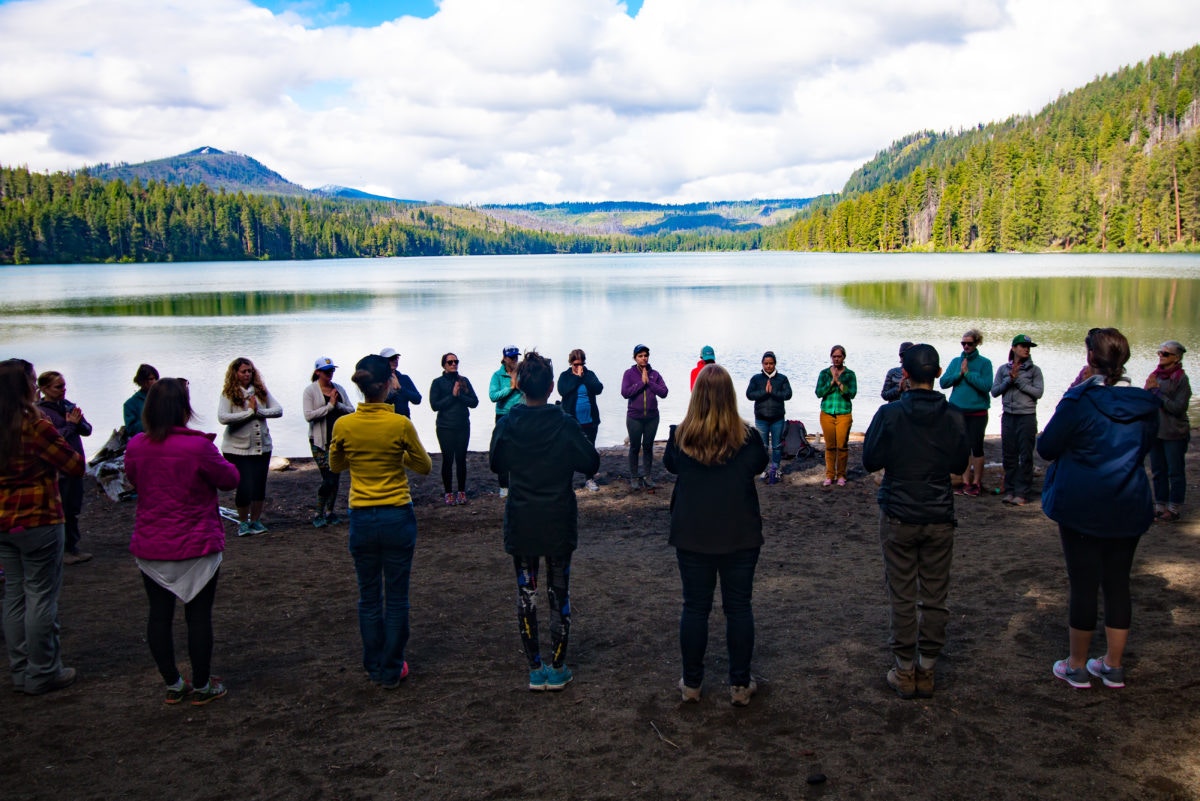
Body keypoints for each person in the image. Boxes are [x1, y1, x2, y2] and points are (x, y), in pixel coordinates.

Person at [1037, 328, 1159, 690]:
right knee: (1118, 583)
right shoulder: (1145, 405)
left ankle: (1076, 665)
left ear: (1090, 359)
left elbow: (1047, 446)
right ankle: (1113, 665)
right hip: (1128, 502)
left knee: (1084, 584)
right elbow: (1145, 448)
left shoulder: (1080, 401)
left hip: (1082, 505)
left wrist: (1073, 394)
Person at [862, 344, 969, 699]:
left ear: (904, 375)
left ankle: (905, 670)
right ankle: (926, 668)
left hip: (899, 514)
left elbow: (870, 459)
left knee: (903, 595)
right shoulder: (953, 415)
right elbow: (958, 465)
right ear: (938, 374)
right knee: (935, 596)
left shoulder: (890, 414)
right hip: (938, 513)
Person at [125, 377, 240, 706]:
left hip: (152, 544)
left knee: (159, 615)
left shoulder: (136, 446)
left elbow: (134, 479)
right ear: (183, 408)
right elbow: (230, 479)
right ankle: (202, 685)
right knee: (198, 615)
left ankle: (173, 683)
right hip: (196, 544)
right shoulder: (198, 447)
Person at [490, 351, 600, 691]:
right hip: (557, 518)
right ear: (552, 385)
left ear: (519, 385)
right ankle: (558, 665)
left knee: (527, 594)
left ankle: (536, 668)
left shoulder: (508, 422)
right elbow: (591, 462)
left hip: (523, 518)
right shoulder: (563, 422)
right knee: (559, 594)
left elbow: (496, 463)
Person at [664, 364, 768, 707]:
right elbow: (759, 464)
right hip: (739, 533)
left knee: (695, 607)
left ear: (696, 398)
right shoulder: (749, 439)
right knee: (739, 608)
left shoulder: (680, 438)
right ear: (731, 397)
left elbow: (671, 465)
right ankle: (739, 686)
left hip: (693, 534)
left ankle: (692, 684)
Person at [329, 354, 433, 689]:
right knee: (397, 596)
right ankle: (392, 667)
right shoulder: (399, 424)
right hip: (396, 514)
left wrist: (362, 456)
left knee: (369, 596)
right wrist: (395, 455)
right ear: (387, 385)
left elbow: (336, 464)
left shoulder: (344, 425)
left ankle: (374, 665)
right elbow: (424, 466)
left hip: (362, 515)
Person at [0, 359, 84, 695]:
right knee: (41, 596)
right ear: (24, 387)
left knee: (14, 595)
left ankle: (20, 670)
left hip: (3, 521)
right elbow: (75, 466)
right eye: (33, 381)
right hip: (39, 519)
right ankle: (44, 670)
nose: (36, 386)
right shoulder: (35, 426)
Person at [217, 357, 283, 536]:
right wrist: (249, 414)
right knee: (244, 485)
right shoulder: (228, 394)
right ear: (235, 374)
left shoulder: (261, 391)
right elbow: (223, 417)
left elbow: (278, 410)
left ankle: (255, 520)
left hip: (262, 447)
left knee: (259, 485)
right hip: (237, 449)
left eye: (249, 371)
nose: (247, 374)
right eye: (243, 371)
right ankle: (243, 522)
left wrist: (259, 411)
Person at [36, 370, 93, 564]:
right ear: (44, 389)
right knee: (62, 509)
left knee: (74, 508)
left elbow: (87, 430)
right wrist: (70, 426)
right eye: (58, 386)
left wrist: (78, 423)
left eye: (64, 386)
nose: (63, 390)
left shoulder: (68, 406)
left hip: (74, 465)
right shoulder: (41, 412)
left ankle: (72, 546)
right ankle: (61, 550)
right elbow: (52, 439)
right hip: (58, 469)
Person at [990, 335, 1045, 506]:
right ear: (1013, 348)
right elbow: (994, 391)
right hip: (1008, 416)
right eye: (1023, 346)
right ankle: (1010, 489)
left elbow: (1038, 393)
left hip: (1026, 416)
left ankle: (1022, 492)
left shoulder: (1034, 371)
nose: (1026, 349)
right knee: (1009, 455)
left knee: (1025, 455)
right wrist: (1009, 380)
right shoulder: (1002, 369)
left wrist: (1018, 381)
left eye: (1029, 347)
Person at [302, 357, 355, 528]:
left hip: (337, 441)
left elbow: (351, 410)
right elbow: (308, 415)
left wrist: (337, 404)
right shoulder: (310, 391)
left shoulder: (338, 389)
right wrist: (330, 406)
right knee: (328, 478)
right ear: (318, 372)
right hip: (320, 442)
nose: (330, 374)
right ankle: (318, 513)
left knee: (336, 477)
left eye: (332, 370)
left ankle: (330, 512)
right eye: (326, 371)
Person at [940, 328, 993, 496]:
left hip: (977, 412)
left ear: (977, 343)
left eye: (969, 343)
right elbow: (943, 382)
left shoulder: (985, 363)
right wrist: (959, 374)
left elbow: (986, 386)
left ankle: (976, 482)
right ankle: (964, 481)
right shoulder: (956, 361)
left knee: (976, 447)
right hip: (957, 411)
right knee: (961, 448)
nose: (966, 346)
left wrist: (968, 375)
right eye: (963, 343)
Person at [1145, 340, 1191, 522]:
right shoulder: (1155, 376)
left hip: (1174, 433)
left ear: (1176, 358)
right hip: (1156, 431)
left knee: (1175, 471)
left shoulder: (1181, 379)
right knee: (1157, 470)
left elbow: (1179, 407)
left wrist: (1157, 394)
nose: (1160, 356)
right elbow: (1148, 400)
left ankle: (1174, 508)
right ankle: (1160, 505)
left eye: (1165, 354)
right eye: (1160, 352)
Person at [429, 352, 479, 505]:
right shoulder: (437, 382)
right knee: (447, 460)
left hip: (463, 426)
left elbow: (474, 402)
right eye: (450, 362)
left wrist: (459, 396)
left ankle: (462, 491)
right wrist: (452, 395)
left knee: (461, 459)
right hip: (445, 427)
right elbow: (434, 405)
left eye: (456, 361)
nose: (453, 364)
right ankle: (449, 492)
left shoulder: (463, 381)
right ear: (444, 365)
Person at [621, 344, 669, 490]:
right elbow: (625, 393)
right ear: (635, 358)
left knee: (648, 447)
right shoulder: (629, 374)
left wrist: (650, 382)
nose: (644, 358)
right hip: (634, 417)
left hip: (652, 417)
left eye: (645, 355)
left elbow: (664, 392)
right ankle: (634, 477)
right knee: (635, 447)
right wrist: (642, 383)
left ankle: (648, 476)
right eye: (640, 356)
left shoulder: (655, 374)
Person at [557, 348, 604, 492]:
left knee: (589, 450)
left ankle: (589, 479)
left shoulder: (589, 375)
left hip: (590, 420)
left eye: (581, 364)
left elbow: (599, 388)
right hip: (571, 421)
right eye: (576, 364)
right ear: (571, 363)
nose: (579, 367)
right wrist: (576, 378)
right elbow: (562, 390)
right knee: (568, 450)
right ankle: (566, 481)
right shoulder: (565, 376)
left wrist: (584, 377)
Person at [745, 350, 792, 484]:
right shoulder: (756, 379)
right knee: (763, 446)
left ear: (775, 364)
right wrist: (764, 392)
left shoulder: (782, 378)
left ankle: (775, 468)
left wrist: (774, 392)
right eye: (766, 363)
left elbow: (788, 394)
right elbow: (749, 395)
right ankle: (764, 468)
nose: (768, 366)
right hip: (761, 417)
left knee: (777, 445)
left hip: (777, 417)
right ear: (762, 364)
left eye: (771, 363)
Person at [815, 345, 857, 487]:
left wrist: (839, 383)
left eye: (839, 356)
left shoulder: (850, 374)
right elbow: (819, 392)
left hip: (843, 413)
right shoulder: (824, 373)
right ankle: (830, 474)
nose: (836, 359)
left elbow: (852, 393)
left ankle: (841, 475)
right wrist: (831, 382)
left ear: (843, 357)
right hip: (827, 412)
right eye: (834, 356)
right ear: (831, 357)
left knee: (842, 445)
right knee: (830, 445)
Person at [489, 346, 523, 498]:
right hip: (503, 415)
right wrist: (510, 388)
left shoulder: (523, 373)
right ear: (504, 358)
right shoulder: (497, 375)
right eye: (511, 357)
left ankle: (519, 484)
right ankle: (503, 486)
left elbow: (529, 391)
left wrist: (520, 385)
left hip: (521, 414)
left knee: (520, 450)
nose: (514, 360)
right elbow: (493, 396)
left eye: (516, 357)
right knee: (502, 450)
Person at [380, 347, 422, 418]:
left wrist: (400, 389)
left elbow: (417, 399)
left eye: (396, 358)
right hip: (385, 421)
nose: (395, 361)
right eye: (391, 358)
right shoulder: (378, 379)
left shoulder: (404, 378)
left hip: (403, 422)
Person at [123, 364, 159, 439]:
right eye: (151, 379)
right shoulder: (130, 404)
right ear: (142, 381)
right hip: (144, 441)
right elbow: (131, 429)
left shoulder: (164, 398)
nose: (155, 382)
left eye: (156, 379)